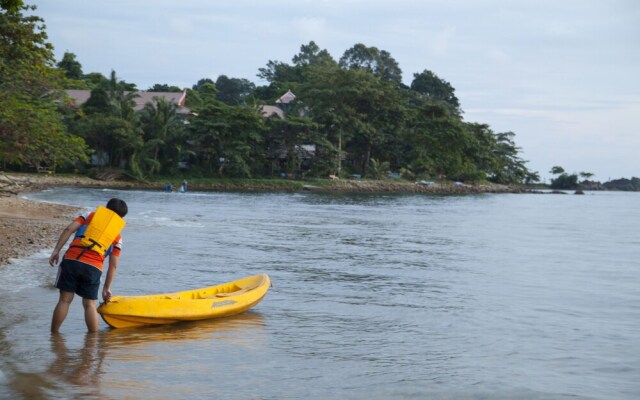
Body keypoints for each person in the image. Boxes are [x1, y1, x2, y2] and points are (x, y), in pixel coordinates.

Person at [48, 198, 128, 333]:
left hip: (72, 260)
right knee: (90, 305)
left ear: (106, 208)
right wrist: (106, 288)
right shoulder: (117, 236)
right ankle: (91, 345)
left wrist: (56, 251)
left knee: (65, 300)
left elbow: (68, 229)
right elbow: (113, 266)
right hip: (93, 267)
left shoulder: (89, 215)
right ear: (121, 217)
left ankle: (54, 337)